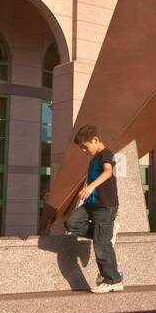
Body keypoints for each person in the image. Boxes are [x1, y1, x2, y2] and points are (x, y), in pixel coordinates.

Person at [64, 124, 123, 293]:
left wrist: (90, 187)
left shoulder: (106, 154)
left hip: (105, 205)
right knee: (71, 223)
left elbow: (108, 172)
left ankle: (112, 280)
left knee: (101, 244)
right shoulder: (93, 159)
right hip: (91, 204)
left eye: (85, 146)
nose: (83, 150)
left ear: (95, 140)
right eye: (81, 148)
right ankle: (106, 232)